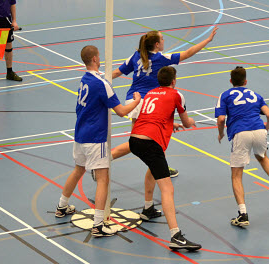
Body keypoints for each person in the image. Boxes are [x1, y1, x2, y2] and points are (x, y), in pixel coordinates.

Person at [108, 28, 217, 183]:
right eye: (163, 39)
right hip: (147, 103)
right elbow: (188, 53)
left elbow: (117, 72)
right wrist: (207, 41)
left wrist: (102, 80)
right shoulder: (161, 58)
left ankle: (162, 167)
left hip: (134, 101)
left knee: (149, 140)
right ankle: (105, 160)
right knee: (138, 143)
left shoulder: (136, 55)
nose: (165, 41)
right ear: (157, 44)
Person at [55, 45, 142, 237]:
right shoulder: (101, 83)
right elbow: (120, 111)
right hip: (95, 138)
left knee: (78, 169)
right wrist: (136, 101)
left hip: (80, 134)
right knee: (103, 179)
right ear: (94, 59)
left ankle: (62, 206)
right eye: (99, 56)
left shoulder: (84, 80)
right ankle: (98, 225)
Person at [129, 66, 201, 250]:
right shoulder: (177, 94)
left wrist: (171, 124)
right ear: (174, 80)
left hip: (135, 139)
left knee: (152, 170)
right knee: (168, 189)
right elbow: (187, 122)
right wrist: (188, 122)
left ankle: (148, 208)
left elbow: (152, 116)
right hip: (151, 143)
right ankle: (175, 236)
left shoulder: (151, 93)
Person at [215, 66, 269, 227]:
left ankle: (243, 215)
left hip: (240, 133)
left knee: (236, 175)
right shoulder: (255, 95)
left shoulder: (225, 95)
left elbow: (221, 119)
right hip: (259, 129)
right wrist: (266, 128)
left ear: (231, 81)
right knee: (262, 156)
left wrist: (221, 133)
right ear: (246, 81)